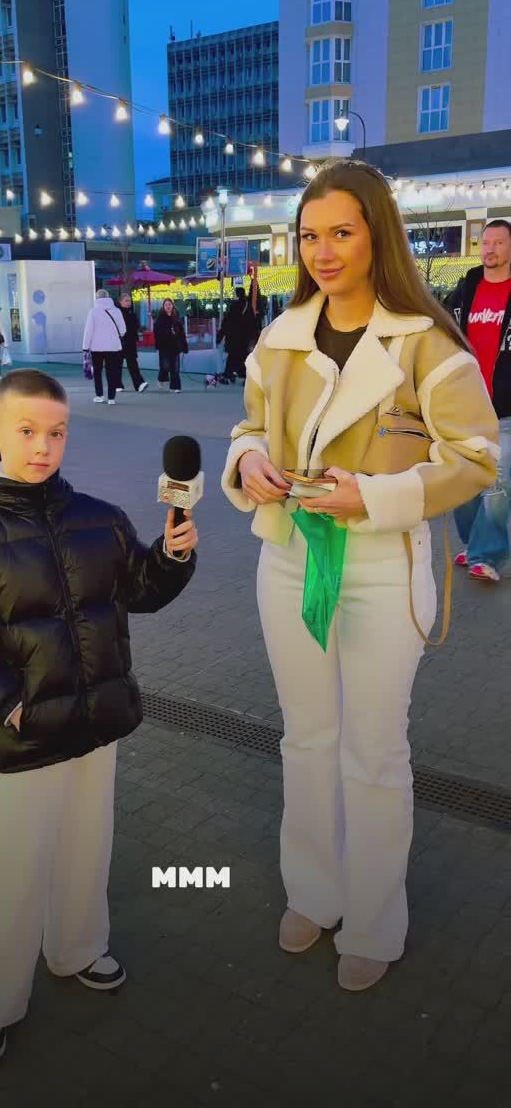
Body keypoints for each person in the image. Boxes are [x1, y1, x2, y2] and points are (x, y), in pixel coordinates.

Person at [222, 159, 498, 993]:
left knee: (374, 751)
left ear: (378, 234)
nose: (323, 251)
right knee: (305, 737)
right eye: (310, 235)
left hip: (384, 563)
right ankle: (313, 889)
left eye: (342, 232)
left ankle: (376, 918)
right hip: (290, 557)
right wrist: (249, 461)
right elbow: (247, 427)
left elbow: (477, 457)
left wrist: (375, 496)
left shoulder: (428, 341)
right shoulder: (280, 336)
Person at [0, 368, 198, 1064]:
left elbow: (140, 589)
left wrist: (172, 556)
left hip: (97, 724)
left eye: (56, 432)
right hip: (24, 737)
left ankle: (78, 949)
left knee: (87, 847)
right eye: (27, 431)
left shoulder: (98, 517)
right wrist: (10, 707)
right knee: (16, 871)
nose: (43, 446)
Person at [444, 219, 511, 582]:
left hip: (506, 408)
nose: (490, 249)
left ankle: (487, 555)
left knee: (499, 484)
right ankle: (474, 546)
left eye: (498, 242)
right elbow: (441, 327)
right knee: (463, 483)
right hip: (466, 405)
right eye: (485, 242)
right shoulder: (466, 289)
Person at [82, 288, 126, 405]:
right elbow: (123, 330)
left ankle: (99, 396)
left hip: (96, 348)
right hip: (113, 347)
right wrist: (114, 336)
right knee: (111, 372)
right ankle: (111, 398)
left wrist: (85, 347)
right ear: (108, 297)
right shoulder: (117, 311)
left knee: (97, 372)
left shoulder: (93, 312)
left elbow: (88, 331)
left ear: (97, 298)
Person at [217, 287, 257, 383]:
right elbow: (253, 323)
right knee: (244, 357)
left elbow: (227, 322)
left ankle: (228, 375)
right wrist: (253, 337)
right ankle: (245, 377)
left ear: (237, 294)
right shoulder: (248, 306)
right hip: (244, 338)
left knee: (232, 357)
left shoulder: (234, 306)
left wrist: (220, 336)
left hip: (233, 337)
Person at [154, 298, 188, 392]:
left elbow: (182, 334)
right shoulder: (160, 319)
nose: (168, 306)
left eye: (169, 304)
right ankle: (161, 379)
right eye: (166, 305)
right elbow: (157, 332)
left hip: (175, 346)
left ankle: (175, 387)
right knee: (165, 367)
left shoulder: (177, 318)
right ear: (163, 307)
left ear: (173, 306)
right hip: (164, 346)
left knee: (175, 367)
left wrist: (184, 346)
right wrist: (168, 332)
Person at [118, 292, 148, 393]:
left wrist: (137, 334)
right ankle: (117, 384)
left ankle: (139, 384)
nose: (128, 302)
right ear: (120, 302)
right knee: (117, 365)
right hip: (119, 342)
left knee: (133, 364)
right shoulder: (117, 313)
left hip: (130, 342)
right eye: (126, 300)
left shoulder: (132, 313)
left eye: (129, 301)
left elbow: (136, 326)